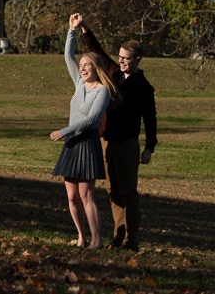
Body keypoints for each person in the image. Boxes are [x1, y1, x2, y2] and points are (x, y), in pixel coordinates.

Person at [73, 14, 158, 252]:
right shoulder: (113, 72)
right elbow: (96, 50)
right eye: (119, 57)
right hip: (107, 143)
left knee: (129, 193)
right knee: (113, 192)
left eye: (126, 59)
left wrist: (149, 147)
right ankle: (118, 238)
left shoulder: (144, 88)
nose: (120, 62)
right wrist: (85, 28)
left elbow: (151, 119)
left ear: (137, 59)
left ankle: (132, 240)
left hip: (128, 144)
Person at [50, 14, 123, 249]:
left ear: (95, 67)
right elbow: (67, 57)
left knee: (86, 195)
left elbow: (92, 120)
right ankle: (81, 237)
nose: (82, 68)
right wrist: (71, 31)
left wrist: (64, 130)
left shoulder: (102, 91)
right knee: (71, 196)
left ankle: (97, 240)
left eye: (86, 65)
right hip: (72, 142)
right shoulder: (79, 83)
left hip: (86, 142)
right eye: (81, 66)